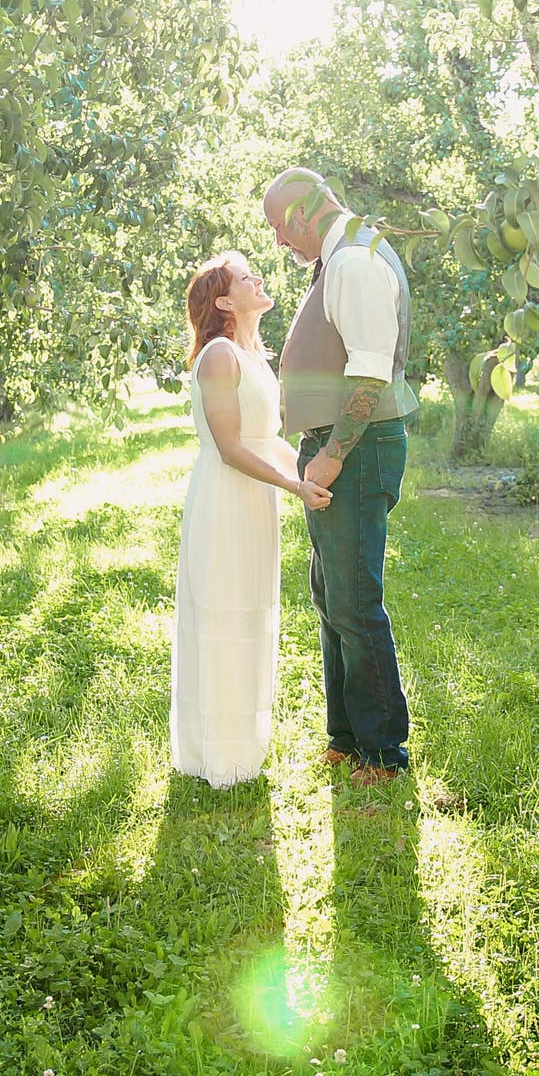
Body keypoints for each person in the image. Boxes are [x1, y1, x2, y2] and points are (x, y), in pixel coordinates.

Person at [262, 165, 417, 784]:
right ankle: (347, 737)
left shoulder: (353, 262)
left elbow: (371, 372)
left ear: (303, 213)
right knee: (331, 597)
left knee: (355, 600)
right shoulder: (338, 255)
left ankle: (384, 753)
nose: (278, 243)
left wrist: (330, 456)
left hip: (353, 450)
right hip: (333, 447)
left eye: (279, 228)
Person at [173, 250, 333, 788]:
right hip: (225, 498)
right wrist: (293, 485)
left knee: (247, 614)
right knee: (224, 616)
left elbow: (268, 441)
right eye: (245, 278)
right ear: (223, 301)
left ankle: (240, 748)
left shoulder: (250, 354)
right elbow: (229, 447)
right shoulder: (219, 355)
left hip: (253, 497)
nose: (258, 278)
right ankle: (219, 757)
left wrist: (311, 473)